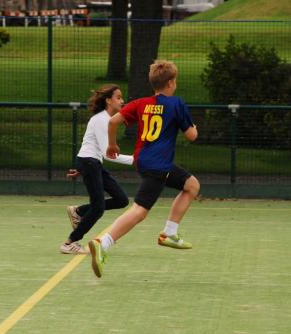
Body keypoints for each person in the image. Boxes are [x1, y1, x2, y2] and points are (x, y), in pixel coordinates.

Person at [88, 60, 200, 277]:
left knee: (192, 185)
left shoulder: (141, 103)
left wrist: (112, 144)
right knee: (140, 211)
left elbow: (113, 122)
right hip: (158, 165)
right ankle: (103, 242)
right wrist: (193, 125)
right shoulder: (176, 104)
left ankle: (169, 233)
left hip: (144, 161)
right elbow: (192, 135)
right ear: (171, 83)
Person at [60, 84, 133, 254]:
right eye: (118, 97)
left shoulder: (106, 119)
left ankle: (78, 211)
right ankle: (70, 242)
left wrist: (82, 169)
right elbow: (108, 153)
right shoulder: (102, 120)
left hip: (91, 163)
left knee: (121, 199)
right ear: (108, 100)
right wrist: (135, 160)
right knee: (98, 207)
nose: (122, 101)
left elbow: (96, 149)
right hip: (90, 163)